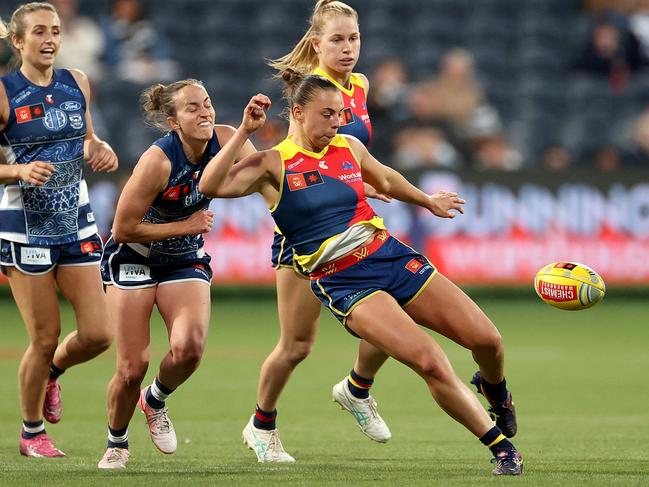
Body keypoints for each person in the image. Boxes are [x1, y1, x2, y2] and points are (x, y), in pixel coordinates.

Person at [199, 73, 523, 476]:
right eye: (327, 114)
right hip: (343, 280)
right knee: (430, 362)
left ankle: (497, 392)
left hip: (388, 254)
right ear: (298, 113)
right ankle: (502, 449)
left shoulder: (348, 147)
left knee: (488, 340)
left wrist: (427, 201)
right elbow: (209, 185)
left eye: (341, 114)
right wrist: (245, 131)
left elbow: (385, 178)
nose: (337, 122)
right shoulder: (271, 164)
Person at [237, 0, 392, 463]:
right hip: (307, 234)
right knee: (297, 344)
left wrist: (363, 182)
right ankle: (261, 425)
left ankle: (357, 389)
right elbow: (297, 154)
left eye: (354, 39)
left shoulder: (360, 86)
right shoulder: (306, 91)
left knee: (398, 305)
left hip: (357, 224)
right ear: (317, 44)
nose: (347, 49)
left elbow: (344, 153)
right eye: (337, 40)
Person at [96, 78, 270, 469]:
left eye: (206, 102)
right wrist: (185, 225)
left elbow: (268, 177)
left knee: (189, 349)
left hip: (181, 258)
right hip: (134, 255)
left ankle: (154, 400)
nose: (205, 111)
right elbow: (122, 228)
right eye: (192, 107)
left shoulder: (228, 137)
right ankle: (117, 442)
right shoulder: (158, 160)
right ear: (173, 121)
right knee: (130, 369)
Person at [0, 2, 117, 458]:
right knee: (44, 336)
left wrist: (98, 147)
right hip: (24, 229)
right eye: (39, 32)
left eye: (56, 30)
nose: (50, 39)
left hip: (75, 221)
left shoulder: (77, 82)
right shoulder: (5, 93)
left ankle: (52, 374)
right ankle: (31, 434)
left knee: (97, 333)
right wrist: (17, 173)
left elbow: (87, 137)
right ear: (19, 42)